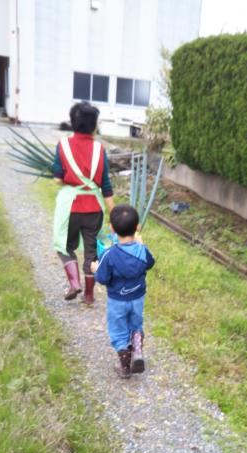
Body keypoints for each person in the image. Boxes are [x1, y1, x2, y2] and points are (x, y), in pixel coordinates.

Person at [53, 101, 114, 304]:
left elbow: (58, 179)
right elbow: (105, 185)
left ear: (72, 122)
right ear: (94, 125)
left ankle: (74, 283)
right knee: (91, 250)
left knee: (63, 245)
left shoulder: (63, 145)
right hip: (94, 208)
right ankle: (88, 295)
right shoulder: (99, 149)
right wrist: (113, 215)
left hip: (70, 208)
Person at [91, 205, 155, 378]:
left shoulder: (109, 254)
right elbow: (150, 263)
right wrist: (142, 244)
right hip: (137, 297)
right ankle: (137, 349)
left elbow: (102, 278)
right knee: (135, 324)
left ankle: (125, 367)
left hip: (117, 301)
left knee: (118, 330)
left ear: (112, 228)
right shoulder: (142, 250)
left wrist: (95, 269)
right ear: (137, 227)